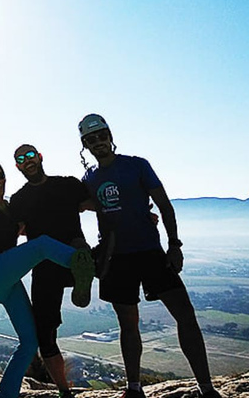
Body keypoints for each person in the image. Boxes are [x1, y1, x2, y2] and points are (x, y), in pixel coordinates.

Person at [77, 113, 222, 398]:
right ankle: (134, 389)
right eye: (91, 139)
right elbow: (91, 206)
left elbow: (165, 205)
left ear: (110, 135)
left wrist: (175, 244)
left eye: (101, 135)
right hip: (115, 258)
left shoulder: (137, 165)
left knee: (185, 316)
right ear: (85, 144)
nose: (98, 142)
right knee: (128, 325)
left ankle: (206, 388)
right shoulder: (89, 178)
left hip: (150, 252)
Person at [0, 162, 95, 398]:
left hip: (6, 280)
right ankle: (82, 264)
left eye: (1, 176)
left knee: (29, 342)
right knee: (42, 245)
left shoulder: (8, 206)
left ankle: (5, 394)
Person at [9, 144, 92, 398]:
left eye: (30, 155)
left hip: (71, 257)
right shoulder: (19, 199)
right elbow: (13, 231)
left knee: (81, 252)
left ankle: (83, 268)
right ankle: (64, 391)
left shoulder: (67, 184)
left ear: (40, 157)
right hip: (47, 269)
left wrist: (143, 214)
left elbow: (100, 206)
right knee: (45, 335)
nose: (27, 161)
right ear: (18, 166)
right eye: (21, 159)